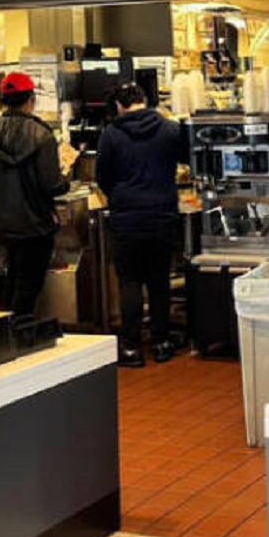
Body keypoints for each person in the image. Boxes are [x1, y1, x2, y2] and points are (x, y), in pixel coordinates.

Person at [96, 82, 185, 368]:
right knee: (159, 281)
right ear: (145, 101)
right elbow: (186, 159)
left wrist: (121, 197)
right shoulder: (170, 129)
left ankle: (132, 347)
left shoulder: (111, 134)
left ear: (120, 107)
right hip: (162, 214)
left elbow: (103, 177)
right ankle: (161, 342)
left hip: (127, 217)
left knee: (130, 282)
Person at [0, 72, 70, 317]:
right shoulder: (42, 135)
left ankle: (7, 330)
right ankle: (20, 331)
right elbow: (50, 183)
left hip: (3, 220)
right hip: (35, 219)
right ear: (31, 99)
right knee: (29, 281)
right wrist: (65, 180)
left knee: (13, 274)